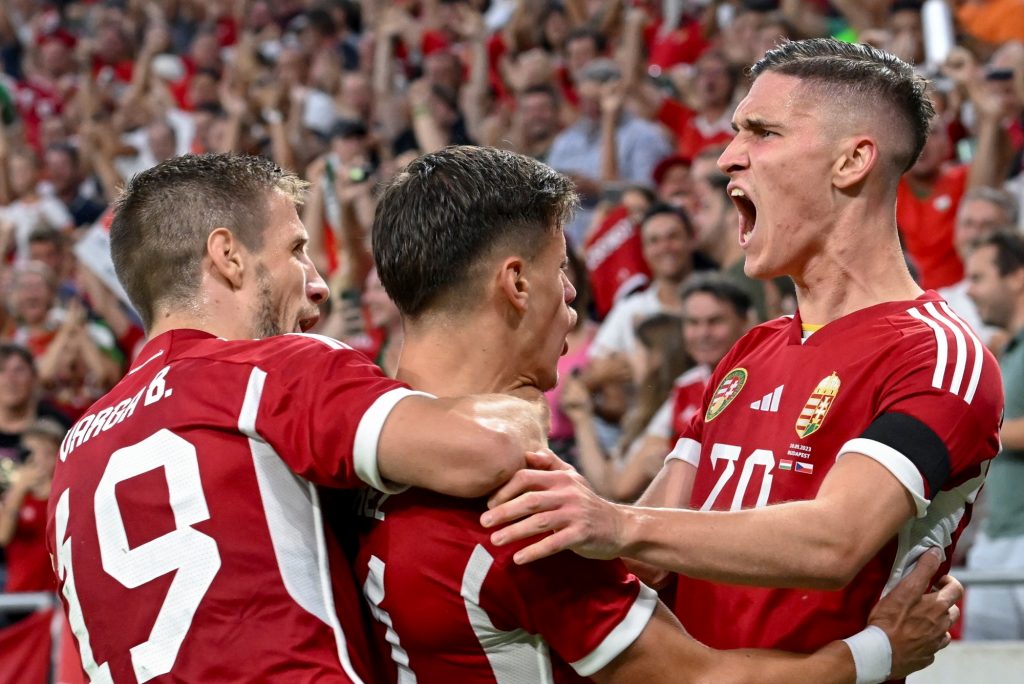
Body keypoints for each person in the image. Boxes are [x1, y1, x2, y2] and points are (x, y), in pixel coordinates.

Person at [482, 38, 1003, 667]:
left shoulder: (938, 356)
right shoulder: (751, 350)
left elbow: (835, 543)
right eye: (735, 132)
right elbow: (645, 554)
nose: (729, 156)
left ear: (852, 161)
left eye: (763, 132)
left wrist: (616, 524)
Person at [356, 144, 959, 684]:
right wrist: (881, 650)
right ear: (516, 284)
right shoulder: (522, 519)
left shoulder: (352, 448)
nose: (572, 293)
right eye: (559, 268)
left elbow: (639, 555)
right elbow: (702, 679)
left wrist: (617, 526)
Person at [45, 153, 548, 683]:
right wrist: (524, 398)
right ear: (228, 256)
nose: (319, 284)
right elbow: (486, 448)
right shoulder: (268, 371)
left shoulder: (74, 455)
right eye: (296, 250)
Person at [963, 231, 1024, 639]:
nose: (968, 290)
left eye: (979, 277)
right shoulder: (1005, 349)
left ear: (1017, 277)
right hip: (997, 534)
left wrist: (973, 430)